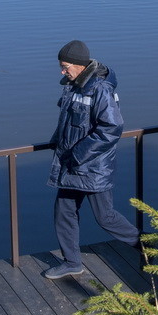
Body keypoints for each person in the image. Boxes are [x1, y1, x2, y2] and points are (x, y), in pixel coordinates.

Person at [44, 40, 140, 279]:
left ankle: (148, 246)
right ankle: (72, 262)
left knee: (105, 217)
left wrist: (78, 154)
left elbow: (112, 127)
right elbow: (68, 121)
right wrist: (57, 141)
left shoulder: (100, 89)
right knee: (63, 212)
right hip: (72, 165)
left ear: (79, 64)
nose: (62, 71)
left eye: (65, 66)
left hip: (92, 167)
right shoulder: (74, 85)